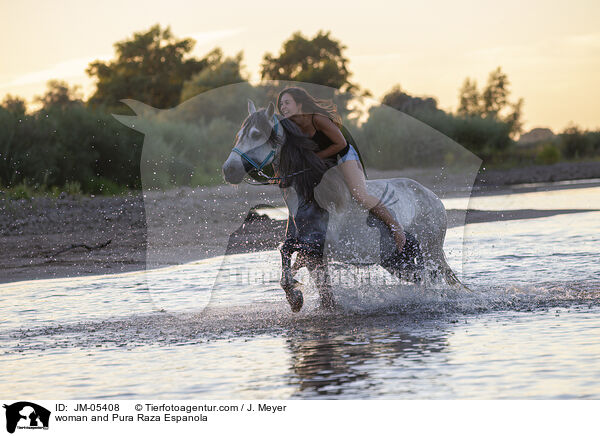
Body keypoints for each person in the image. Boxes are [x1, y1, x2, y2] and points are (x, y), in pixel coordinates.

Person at [276, 86, 406, 252]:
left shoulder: (318, 119)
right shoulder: (288, 127)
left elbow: (341, 144)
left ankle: (396, 228)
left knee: (360, 195)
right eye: (281, 104)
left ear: (300, 104)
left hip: (343, 156)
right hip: (321, 163)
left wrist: (315, 159)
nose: (283, 107)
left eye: (287, 103)